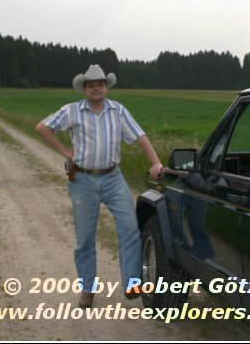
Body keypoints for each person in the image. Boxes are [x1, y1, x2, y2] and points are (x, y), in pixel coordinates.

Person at [35, 64, 163, 309]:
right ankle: (87, 289)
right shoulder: (71, 111)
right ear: (85, 88)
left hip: (113, 178)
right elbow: (42, 127)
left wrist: (156, 162)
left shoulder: (118, 111)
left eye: (100, 84)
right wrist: (65, 151)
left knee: (129, 227)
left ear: (106, 87)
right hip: (82, 179)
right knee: (85, 239)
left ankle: (132, 283)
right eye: (91, 84)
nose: (96, 88)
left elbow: (139, 136)